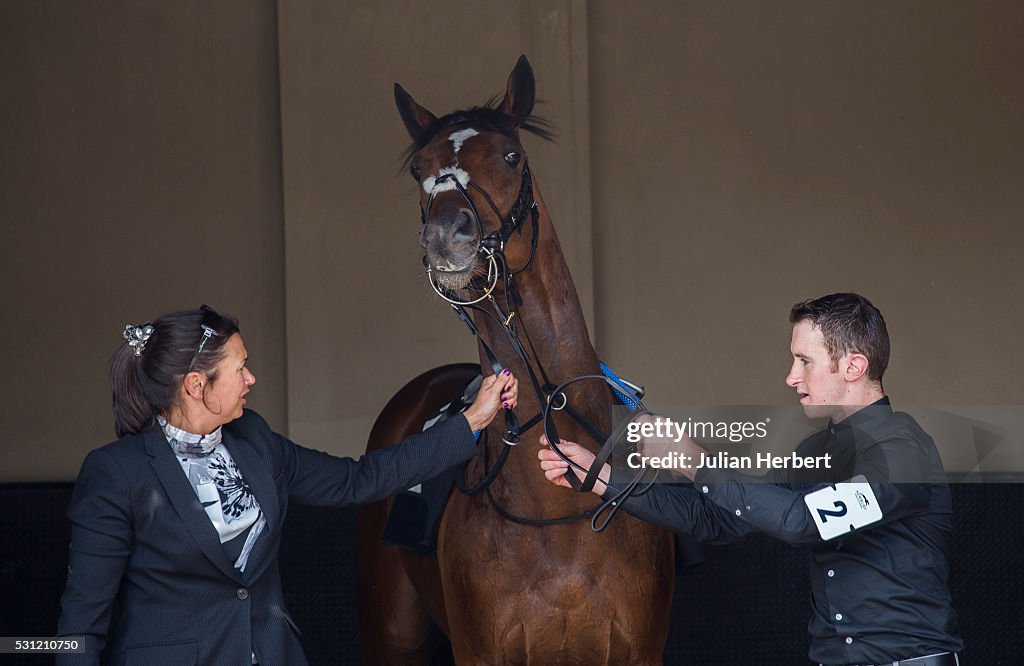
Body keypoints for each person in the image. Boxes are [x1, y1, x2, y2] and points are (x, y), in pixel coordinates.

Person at [57, 305, 518, 665]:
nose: (250, 379)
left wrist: (472, 420)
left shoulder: (253, 439)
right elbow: (81, 624)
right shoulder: (116, 474)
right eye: (240, 368)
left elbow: (359, 479)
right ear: (197, 385)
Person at [538, 293, 962, 666]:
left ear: (854, 366)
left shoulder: (903, 452)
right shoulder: (815, 452)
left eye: (804, 361)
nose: (791, 377)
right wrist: (600, 478)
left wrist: (693, 461)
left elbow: (803, 521)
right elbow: (717, 519)